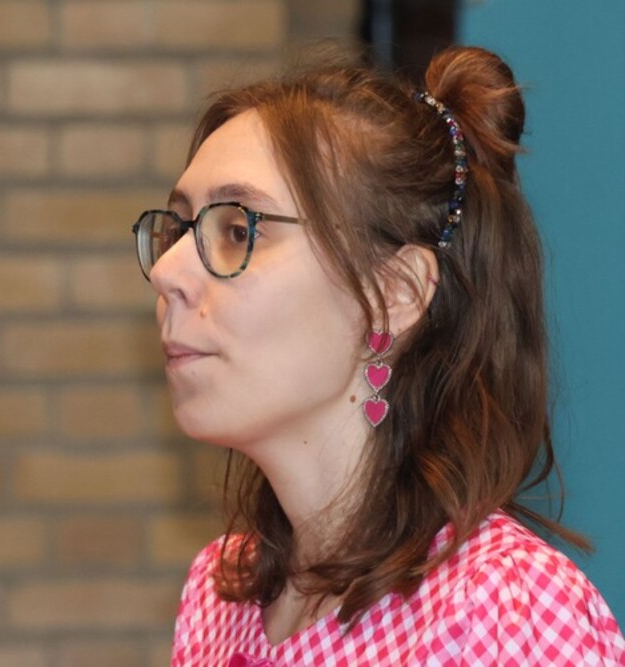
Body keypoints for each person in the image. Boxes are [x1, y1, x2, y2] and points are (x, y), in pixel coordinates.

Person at [131, 45, 625, 666]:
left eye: (237, 230)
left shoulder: (502, 609)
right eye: (179, 229)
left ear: (396, 295)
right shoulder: (220, 595)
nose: (168, 271)